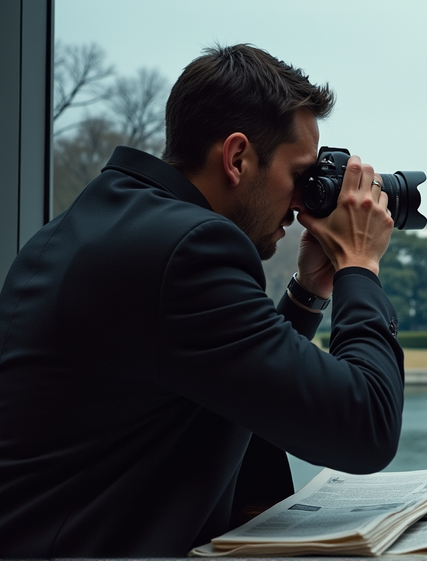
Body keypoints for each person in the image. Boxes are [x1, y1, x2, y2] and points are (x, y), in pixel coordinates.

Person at [0, 44, 404, 556]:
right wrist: (359, 266)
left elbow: (236, 387)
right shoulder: (188, 249)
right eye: (299, 176)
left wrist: (307, 294)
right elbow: (365, 426)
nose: (303, 202)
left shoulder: (102, 223)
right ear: (237, 157)